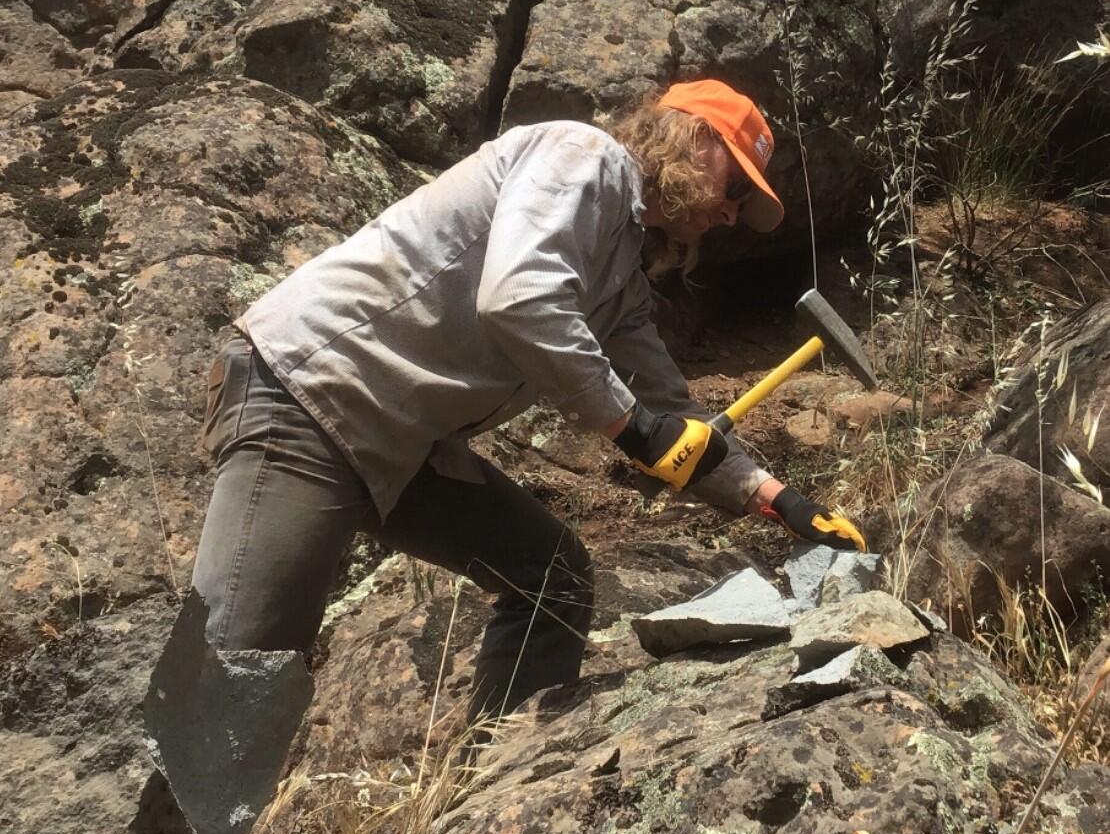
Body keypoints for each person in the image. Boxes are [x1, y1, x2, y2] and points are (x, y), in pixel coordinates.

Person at [191, 78, 863, 727]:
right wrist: (632, 431)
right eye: (737, 186)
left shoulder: (620, 274)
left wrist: (778, 499)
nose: (730, 212)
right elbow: (520, 297)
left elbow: (669, 405)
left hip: (402, 440)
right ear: (693, 138)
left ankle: (493, 785)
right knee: (239, 672)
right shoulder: (583, 157)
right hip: (310, 394)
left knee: (552, 578)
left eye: (741, 206)